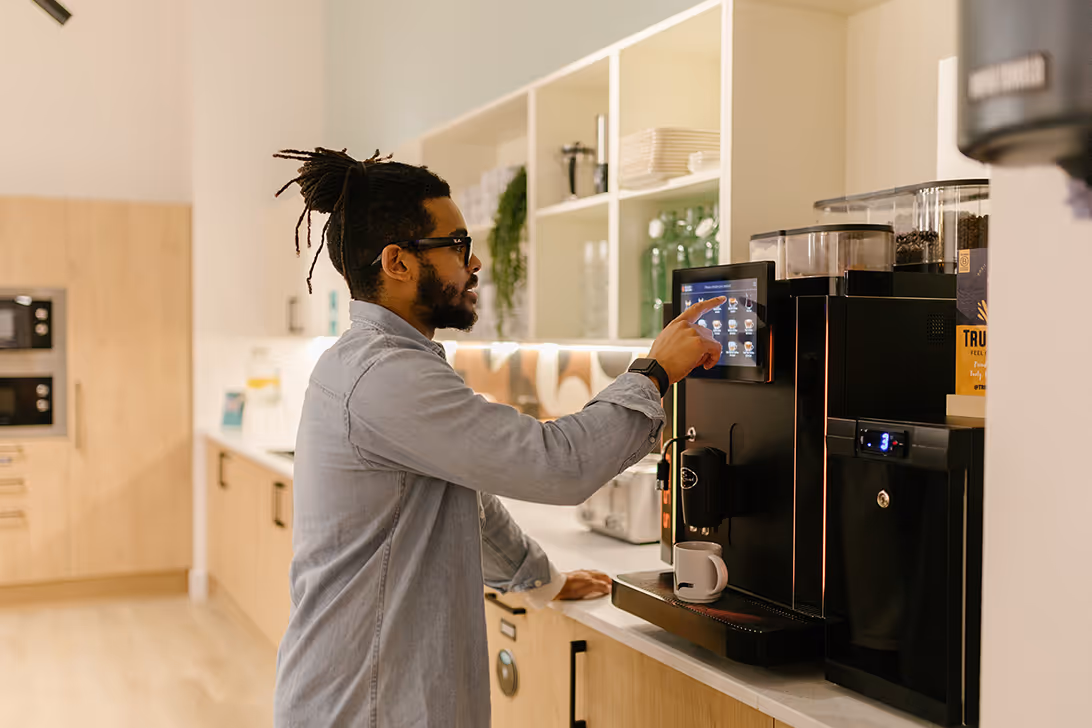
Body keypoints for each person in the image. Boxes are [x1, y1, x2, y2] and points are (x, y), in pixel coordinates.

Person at [271, 147, 724, 727]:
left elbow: (471, 504)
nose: (476, 261)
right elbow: (558, 465)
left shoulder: (377, 362)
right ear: (398, 263)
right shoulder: (388, 376)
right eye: (457, 244)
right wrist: (654, 372)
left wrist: (542, 579)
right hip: (370, 703)